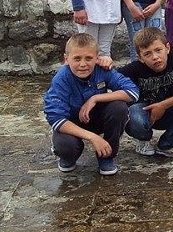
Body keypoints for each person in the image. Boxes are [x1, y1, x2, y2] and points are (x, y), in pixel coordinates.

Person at [43, 33, 138, 175]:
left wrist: (95, 98)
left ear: (97, 58)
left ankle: (107, 156)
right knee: (66, 146)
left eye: (88, 58)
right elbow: (55, 118)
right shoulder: (61, 79)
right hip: (72, 122)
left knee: (119, 107)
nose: (83, 64)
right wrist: (93, 137)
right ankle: (67, 156)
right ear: (66, 59)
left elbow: (133, 92)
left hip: (97, 118)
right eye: (77, 58)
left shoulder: (102, 70)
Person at [120, 28, 173, 159]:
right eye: (147, 54)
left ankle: (168, 144)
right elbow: (109, 78)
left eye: (158, 50)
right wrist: (104, 63)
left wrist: (162, 105)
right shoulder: (134, 68)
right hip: (146, 114)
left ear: (167, 48)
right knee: (133, 111)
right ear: (140, 58)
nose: (155, 57)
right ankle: (143, 140)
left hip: (170, 110)